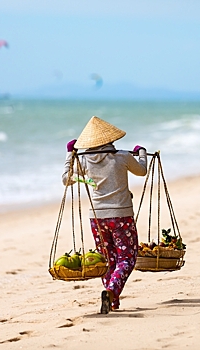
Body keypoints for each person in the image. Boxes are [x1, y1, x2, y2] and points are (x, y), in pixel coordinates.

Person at [62, 116, 147, 314]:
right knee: (127, 258)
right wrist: (140, 152)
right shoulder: (123, 157)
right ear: (110, 139)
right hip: (121, 216)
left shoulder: (83, 160)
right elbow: (142, 171)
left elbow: (67, 179)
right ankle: (111, 291)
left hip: (97, 218)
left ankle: (113, 300)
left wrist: (70, 155)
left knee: (107, 259)